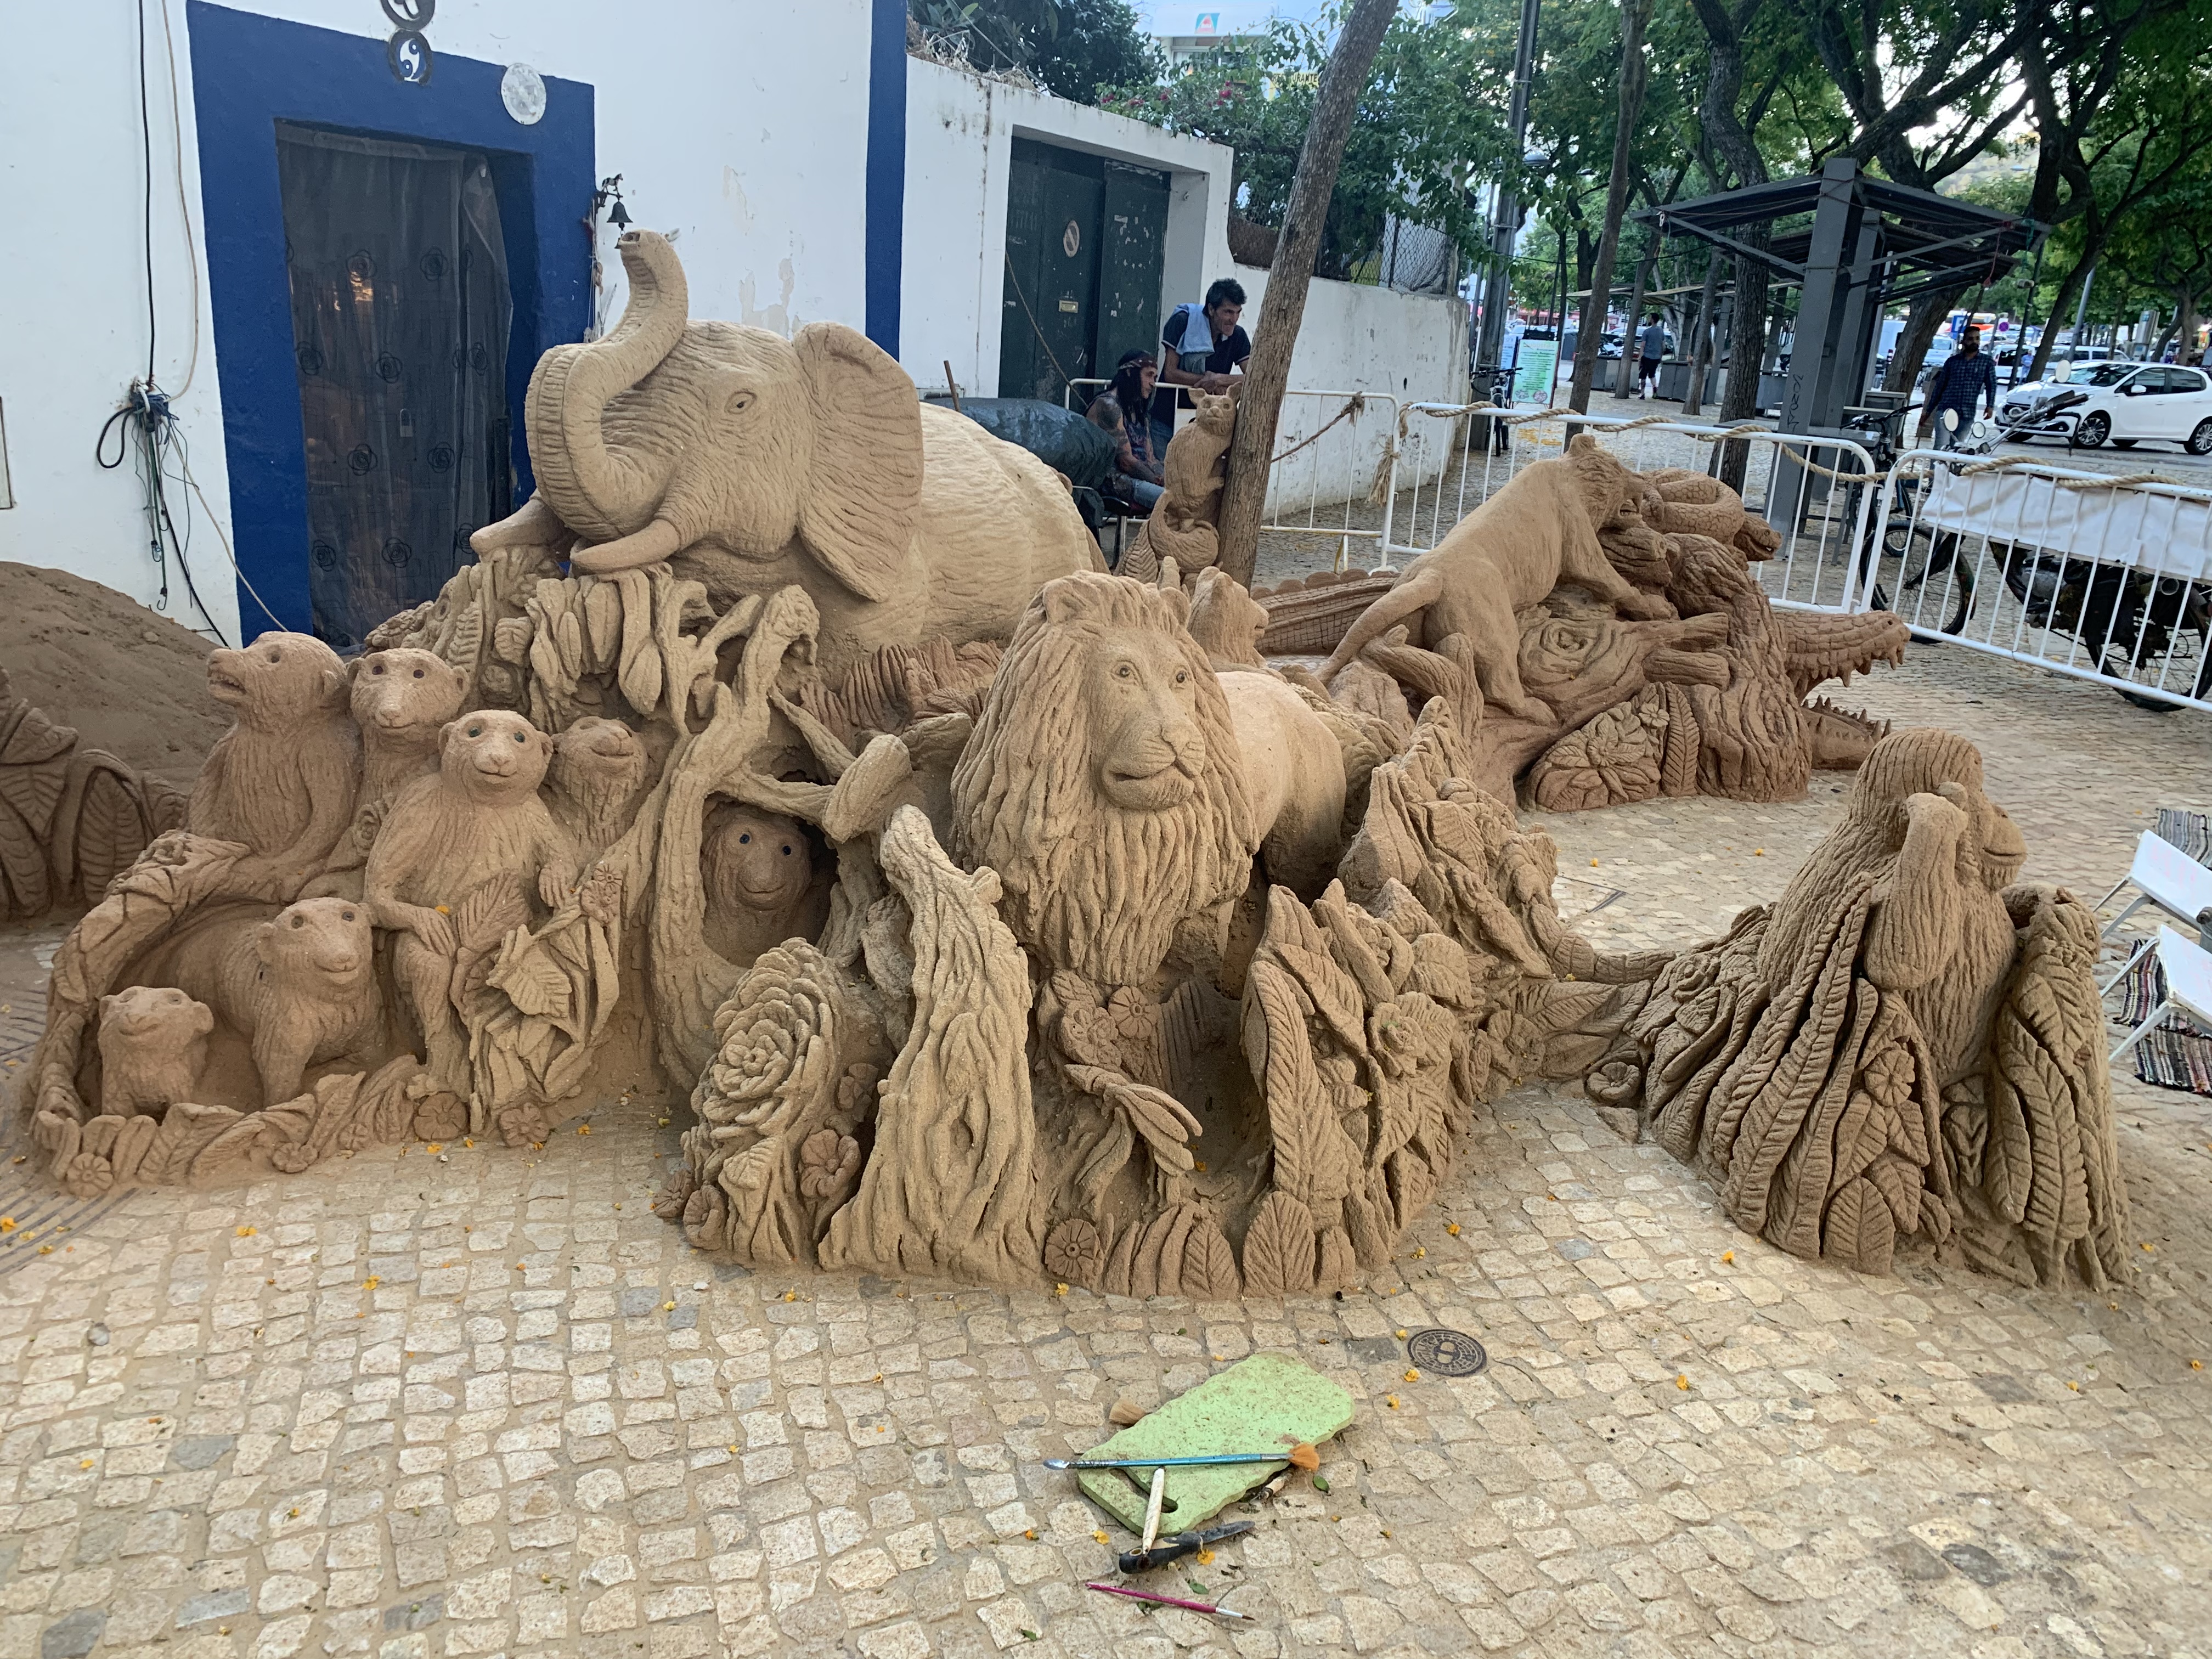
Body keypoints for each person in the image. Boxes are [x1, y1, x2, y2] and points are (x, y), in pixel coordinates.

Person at [1153, 278, 1251, 450]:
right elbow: (1170, 373)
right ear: (1211, 309)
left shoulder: (1238, 336)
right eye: (1228, 312)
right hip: (1167, 419)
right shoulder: (1182, 321)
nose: (1234, 319)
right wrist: (1208, 381)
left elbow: (1254, 377)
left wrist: (1219, 379)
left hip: (1209, 425)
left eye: (1238, 312)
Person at [1087, 351, 1165, 512]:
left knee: (1182, 497)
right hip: (1110, 481)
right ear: (1130, 372)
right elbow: (1126, 462)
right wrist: (1157, 481)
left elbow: (1151, 459)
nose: (1153, 383)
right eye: (1149, 375)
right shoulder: (1109, 405)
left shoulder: (1139, 412)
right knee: (1173, 502)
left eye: (1155, 377)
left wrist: (1170, 479)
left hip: (1135, 479)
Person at [1922, 325, 1997, 449]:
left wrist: (1990, 406)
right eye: (1970, 339)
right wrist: (1928, 411)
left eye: (1977, 339)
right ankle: (1936, 463)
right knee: (1941, 447)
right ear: (1964, 341)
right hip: (1946, 410)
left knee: (1958, 448)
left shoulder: (1986, 362)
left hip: (1967, 413)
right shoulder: (1952, 361)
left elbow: (1992, 385)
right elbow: (1940, 387)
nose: (1974, 342)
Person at [1637, 312, 1666, 398]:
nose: (1649, 319)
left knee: (1643, 375)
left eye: (1650, 318)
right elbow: (1663, 346)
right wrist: (1660, 356)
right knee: (1652, 374)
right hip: (1656, 357)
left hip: (1647, 356)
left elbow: (1643, 345)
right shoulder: (1661, 331)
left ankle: (1642, 394)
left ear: (1652, 320)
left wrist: (1640, 357)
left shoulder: (1647, 331)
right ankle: (1654, 388)